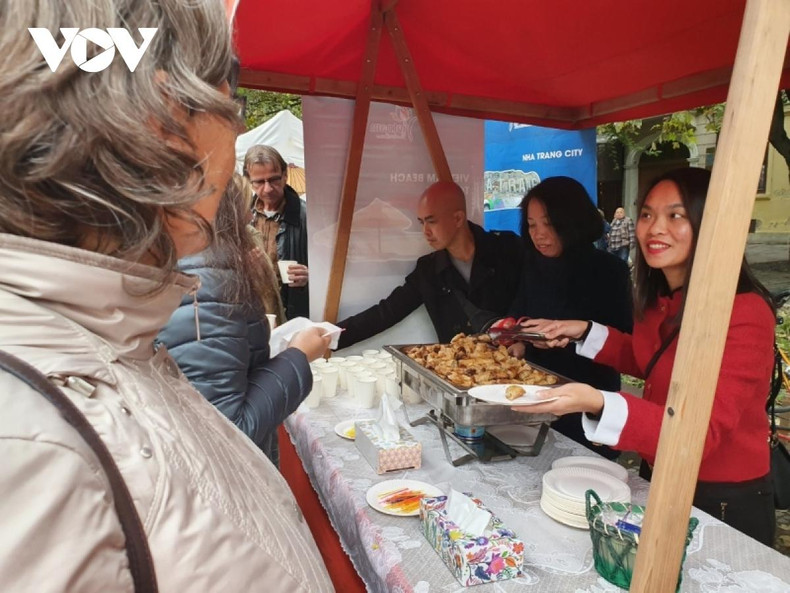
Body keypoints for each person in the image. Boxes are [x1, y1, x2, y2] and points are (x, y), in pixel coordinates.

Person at [0, 1, 333, 591]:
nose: (235, 130)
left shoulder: (115, 329)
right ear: (166, 120)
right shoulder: (28, 446)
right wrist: (299, 359)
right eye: (232, 106)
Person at [519, 168, 775, 545]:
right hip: (658, 471)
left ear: (709, 221)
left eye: (675, 215)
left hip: (722, 495)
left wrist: (596, 401)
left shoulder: (745, 312)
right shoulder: (660, 300)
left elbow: (701, 435)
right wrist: (582, 331)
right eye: (647, 214)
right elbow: (647, 362)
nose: (655, 228)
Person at [158, 176, 329, 467]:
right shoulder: (206, 286)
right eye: (244, 205)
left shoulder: (197, 272)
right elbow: (231, 430)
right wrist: (298, 356)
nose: (251, 215)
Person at [507, 177, 632, 459]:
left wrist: (570, 339)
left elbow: (623, 340)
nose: (539, 234)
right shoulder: (533, 264)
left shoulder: (609, 271)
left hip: (588, 396)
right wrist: (518, 340)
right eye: (532, 224)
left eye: (548, 223)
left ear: (571, 219)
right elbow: (519, 312)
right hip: (537, 393)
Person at [336, 181, 524, 348]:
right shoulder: (429, 271)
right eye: (421, 222)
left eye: (431, 221)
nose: (425, 231)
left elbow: (536, 298)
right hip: (460, 376)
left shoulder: (507, 249)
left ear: (458, 218)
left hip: (518, 370)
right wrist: (332, 335)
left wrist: (522, 338)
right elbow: (385, 312)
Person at [245, 145, 310, 319]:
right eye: (259, 182)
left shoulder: (307, 217)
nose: (267, 188)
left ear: (285, 176)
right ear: (248, 181)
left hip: (291, 314)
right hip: (252, 313)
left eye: (274, 179)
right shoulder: (242, 217)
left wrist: (309, 277)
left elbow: (328, 271)